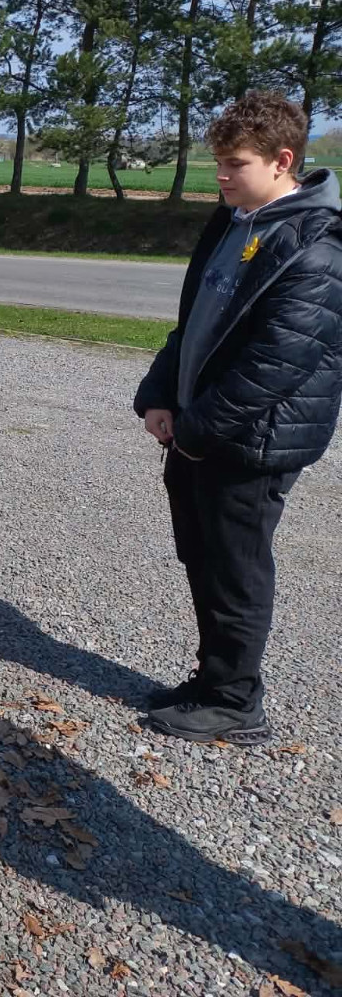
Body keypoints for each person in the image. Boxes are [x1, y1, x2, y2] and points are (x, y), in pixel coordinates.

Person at [135, 91, 342, 744]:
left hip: (252, 444)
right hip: (202, 434)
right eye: (218, 163)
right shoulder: (234, 222)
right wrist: (160, 395)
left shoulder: (315, 247)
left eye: (236, 164)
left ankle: (235, 701)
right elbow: (193, 322)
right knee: (204, 558)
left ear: (283, 161)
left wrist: (196, 432)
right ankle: (211, 680)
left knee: (236, 570)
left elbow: (276, 365)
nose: (221, 176)